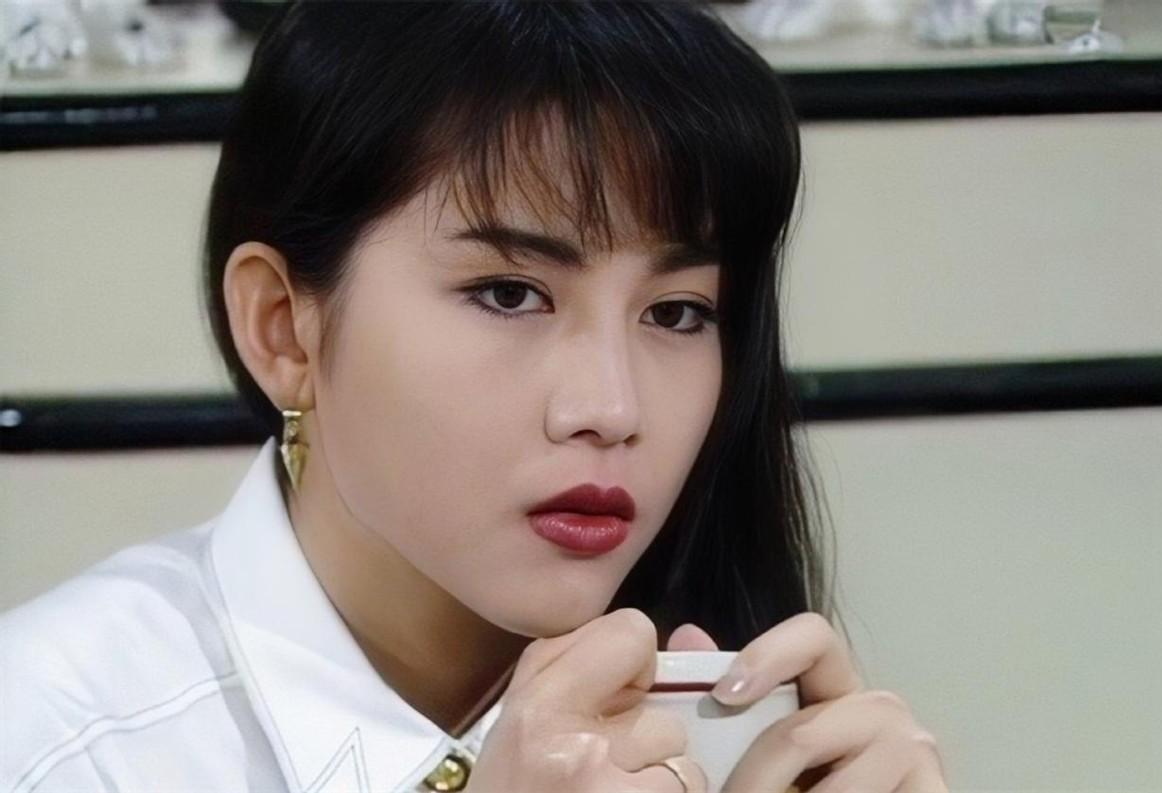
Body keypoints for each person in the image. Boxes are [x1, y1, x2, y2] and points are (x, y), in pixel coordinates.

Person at [0, 2, 948, 791]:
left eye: (676, 312)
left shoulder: (727, 718)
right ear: (283, 326)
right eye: (509, 294)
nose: (611, 409)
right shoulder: (53, 739)